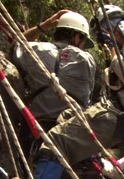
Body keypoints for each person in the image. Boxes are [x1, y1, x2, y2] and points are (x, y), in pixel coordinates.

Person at [31, 4, 124, 179]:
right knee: (66, 118)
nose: (102, 41)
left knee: (56, 140)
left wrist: (112, 50)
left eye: (102, 35)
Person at [11, 10, 97, 157]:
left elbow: (15, 44)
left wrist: (44, 25)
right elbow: (87, 94)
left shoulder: (35, 50)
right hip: (71, 131)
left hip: (36, 129)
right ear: (77, 37)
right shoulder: (86, 60)